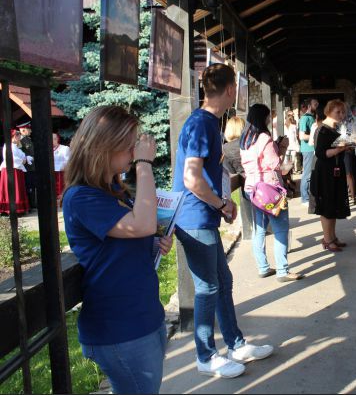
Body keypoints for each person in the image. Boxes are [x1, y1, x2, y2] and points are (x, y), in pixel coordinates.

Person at [62, 106, 173, 393]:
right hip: (119, 327)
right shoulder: (81, 197)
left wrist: (155, 244)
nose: (134, 152)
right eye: (128, 145)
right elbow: (142, 224)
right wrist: (145, 164)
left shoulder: (113, 190)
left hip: (143, 315)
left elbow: (129, 239)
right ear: (104, 146)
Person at [173, 63, 273, 379]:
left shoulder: (207, 122)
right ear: (230, 90)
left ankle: (236, 344)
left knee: (222, 282)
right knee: (207, 287)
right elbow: (191, 178)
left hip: (203, 215)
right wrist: (221, 203)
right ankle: (205, 356)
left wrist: (223, 203)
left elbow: (209, 171)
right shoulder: (201, 124)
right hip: (194, 218)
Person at [240, 103, 303, 282]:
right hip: (269, 190)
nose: (269, 119)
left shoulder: (245, 138)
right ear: (263, 118)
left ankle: (263, 267)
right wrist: (282, 147)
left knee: (259, 229)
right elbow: (276, 164)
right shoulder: (264, 138)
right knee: (280, 229)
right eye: (268, 116)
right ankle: (283, 271)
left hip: (252, 189)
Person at [311, 99, 352, 252]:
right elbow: (321, 153)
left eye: (343, 112)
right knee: (327, 207)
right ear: (328, 112)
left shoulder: (334, 128)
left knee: (333, 205)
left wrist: (347, 146)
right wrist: (340, 149)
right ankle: (327, 239)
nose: (341, 115)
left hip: (335, 170)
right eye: (338, 112)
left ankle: (332, 237)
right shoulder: (322, 129)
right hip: (325, 173)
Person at [0, 130, 31, 215]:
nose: (19, 139)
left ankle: (18, 209)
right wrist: (22, 160)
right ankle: (10, 210)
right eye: (18, 137)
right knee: (12, 189)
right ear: (14, 137)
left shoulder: (15, 147)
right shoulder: (7, 146)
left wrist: (26, 158)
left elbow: (22, 155)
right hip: (10, 170)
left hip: (17, 170)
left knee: (17, 189)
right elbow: (11, 157)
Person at [298, 99, 317, 205]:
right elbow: (302, 136)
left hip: (312, 149)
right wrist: (315, 135)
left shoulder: (311, 117)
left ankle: (309, 196)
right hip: (308, 149)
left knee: (311, 174)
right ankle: (305, 198)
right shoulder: (305, 118)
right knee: (307, 174)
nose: (317, 106)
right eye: (315, 104)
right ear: (309, 106)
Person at [17, 121, 36, 210]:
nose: (31, 131)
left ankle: (33, 203)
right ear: (23, 130)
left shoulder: (28, 139)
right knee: (28, 186)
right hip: (26, 167)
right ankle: (30, 204)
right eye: (29, 129)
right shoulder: (20, 140)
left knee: (32, 185)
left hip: (32, 166)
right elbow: (20, 153)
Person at [52, 132, 71, 204]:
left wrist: (61, 166)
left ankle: (62, 201)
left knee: (61, 188)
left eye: (54, 139)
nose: (52, 141)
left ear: (57, 139)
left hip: (61, 172)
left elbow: (68, 160)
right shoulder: (48, 149)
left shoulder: (64, 148)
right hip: (52, 172)